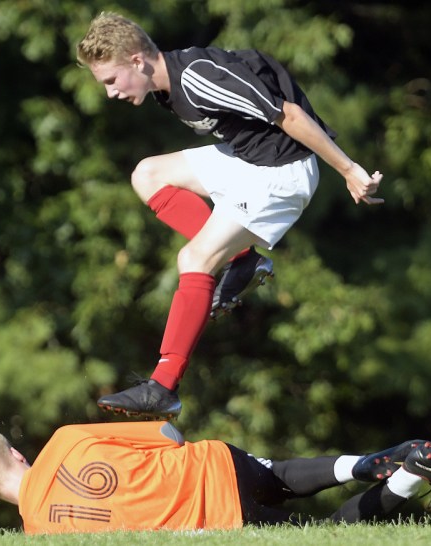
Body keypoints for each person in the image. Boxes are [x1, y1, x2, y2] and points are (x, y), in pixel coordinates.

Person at [76, 13, 385, 419]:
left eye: (111, 81)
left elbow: (288, 114)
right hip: (249, 161)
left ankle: (163, 387)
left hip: (282, 174)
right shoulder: (166, 86)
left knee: (193, 259)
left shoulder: (196, 78)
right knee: (147, 174)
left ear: (137, 61)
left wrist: (348, 170)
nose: (111, 93)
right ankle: (244, 261)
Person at [0, 421, 431, 534]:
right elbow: (167, 433)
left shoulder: (43, 535)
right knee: (282, 475)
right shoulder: (68, 438)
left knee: (332, 535)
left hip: (215, 520)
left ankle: (407, 479)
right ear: (18, 453)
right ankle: (367, 463)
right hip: (215, 463)